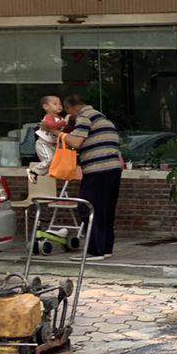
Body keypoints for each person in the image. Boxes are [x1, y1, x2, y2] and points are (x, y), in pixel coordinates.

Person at [63, 94, 122, 259]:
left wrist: (57, 132)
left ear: (70, 107)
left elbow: (75, 142)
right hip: (113, 169)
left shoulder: (84, 117)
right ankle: (106, 248)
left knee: (88, 208)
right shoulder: (103, 119)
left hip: (97, 170)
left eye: (68, 111)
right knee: (106, 210)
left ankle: (95, 250)